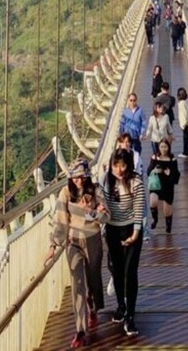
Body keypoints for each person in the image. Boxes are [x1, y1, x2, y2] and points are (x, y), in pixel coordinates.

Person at [46, 158, 108, 348]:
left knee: (93, 280)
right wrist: (54, 244)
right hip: (73, 242)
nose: (78, 181)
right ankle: (80, 330)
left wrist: (91, 212)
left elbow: (106, 217)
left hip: (93, 240)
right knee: (77, 284)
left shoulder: (96, 191)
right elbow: (61, 220)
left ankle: (93, 308)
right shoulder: (65, 192)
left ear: (87, 176)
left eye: (81, 177)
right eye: (74, 177)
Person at [102, 148, 145, 337]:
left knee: (130, 272)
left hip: (131, 229)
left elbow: (139, 209)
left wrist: (135, 235)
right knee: (117, 271)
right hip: (112, 230)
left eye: (123, 165)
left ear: (129, 165)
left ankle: (130, 316)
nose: (119, 169)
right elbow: (99, 202)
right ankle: (121, 305)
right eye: (115, 165)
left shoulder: (136, 182)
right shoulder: (106, 180)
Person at [147, 139, 180, 233]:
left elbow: (176, 175)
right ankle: (155, 219)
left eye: (165, 147)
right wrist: (154, 170)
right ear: (158, 147)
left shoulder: (172, 159)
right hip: (156, 184)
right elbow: (148, 171)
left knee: (167, 210)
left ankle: (168, 226)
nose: (163, 149)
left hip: (168, 185)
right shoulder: (155, 157)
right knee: (153, 202)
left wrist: (169, 173)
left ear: (168, 148)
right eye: (161, 147)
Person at [176, 86, 188, 157]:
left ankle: (185, 152)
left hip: (186, 123)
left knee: (185, 137)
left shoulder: (181, 104)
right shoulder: (187, 100)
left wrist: (183, 125)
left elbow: (183, 115)